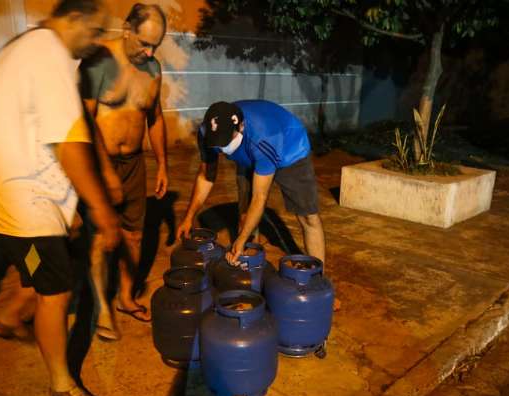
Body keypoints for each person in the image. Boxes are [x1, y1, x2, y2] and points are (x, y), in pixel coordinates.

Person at [0, 0, 119, 396]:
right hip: (24, 202)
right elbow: (70, 145)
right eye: (93, 33)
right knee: (56, 291)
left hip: (16, 195)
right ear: (74, 18)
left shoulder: (21, 47)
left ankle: (6, 320)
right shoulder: (50, 54)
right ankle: (62, 386)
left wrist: (67, 207)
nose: (93, 44)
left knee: (41, 270)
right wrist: (101, 210)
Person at [79, 2, 169, 337]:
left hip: (134, 162)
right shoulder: (99, 61)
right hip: (101, 160)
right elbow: (84, 119)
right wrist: (102, 170)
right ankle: (102, 308)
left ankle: (125, 298)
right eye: (144, 43)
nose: (149, 51)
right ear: (127, 29)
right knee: (103, 237)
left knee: (134, 234)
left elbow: (155, 118)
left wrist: (162, 165)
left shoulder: (154, 69)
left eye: (155, 46)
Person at [177, 100, 328, 268]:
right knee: (244, 214)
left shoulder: (263, 138)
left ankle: (316, 277)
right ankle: (248, 265)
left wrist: (240, 239)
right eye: (217, 142)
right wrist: (188, 217)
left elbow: (259, 197)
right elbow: (206, 177)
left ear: (240, 127)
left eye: (226, 140)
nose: (222, 148)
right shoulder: (206, 133)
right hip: (248, 153)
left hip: (289, 149)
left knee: (308, 217)